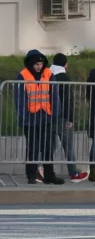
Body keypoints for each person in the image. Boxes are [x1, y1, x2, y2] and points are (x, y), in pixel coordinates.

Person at [14, 50, 64, 185]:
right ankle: (31, 175)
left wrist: (55, 114)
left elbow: (54, 96)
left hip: (45, 116)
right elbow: (19, 99)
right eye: (36, 64)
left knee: (47, 148)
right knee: (32, 148)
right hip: (29, 118)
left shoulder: (49, 74)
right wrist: (22, 117)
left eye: (41, 63)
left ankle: (49, 176)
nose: (39, 66)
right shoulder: (23, 76)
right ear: (31, 64)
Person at [49, 53, 87, 182]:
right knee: (68, 146)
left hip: (47, 116)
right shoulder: (64, 77)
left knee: (50, 146)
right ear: (65, 64)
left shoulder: (47, 76)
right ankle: (74, 173)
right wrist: (70, 118)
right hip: (62, 117)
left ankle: (41, 170)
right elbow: (68, 100)